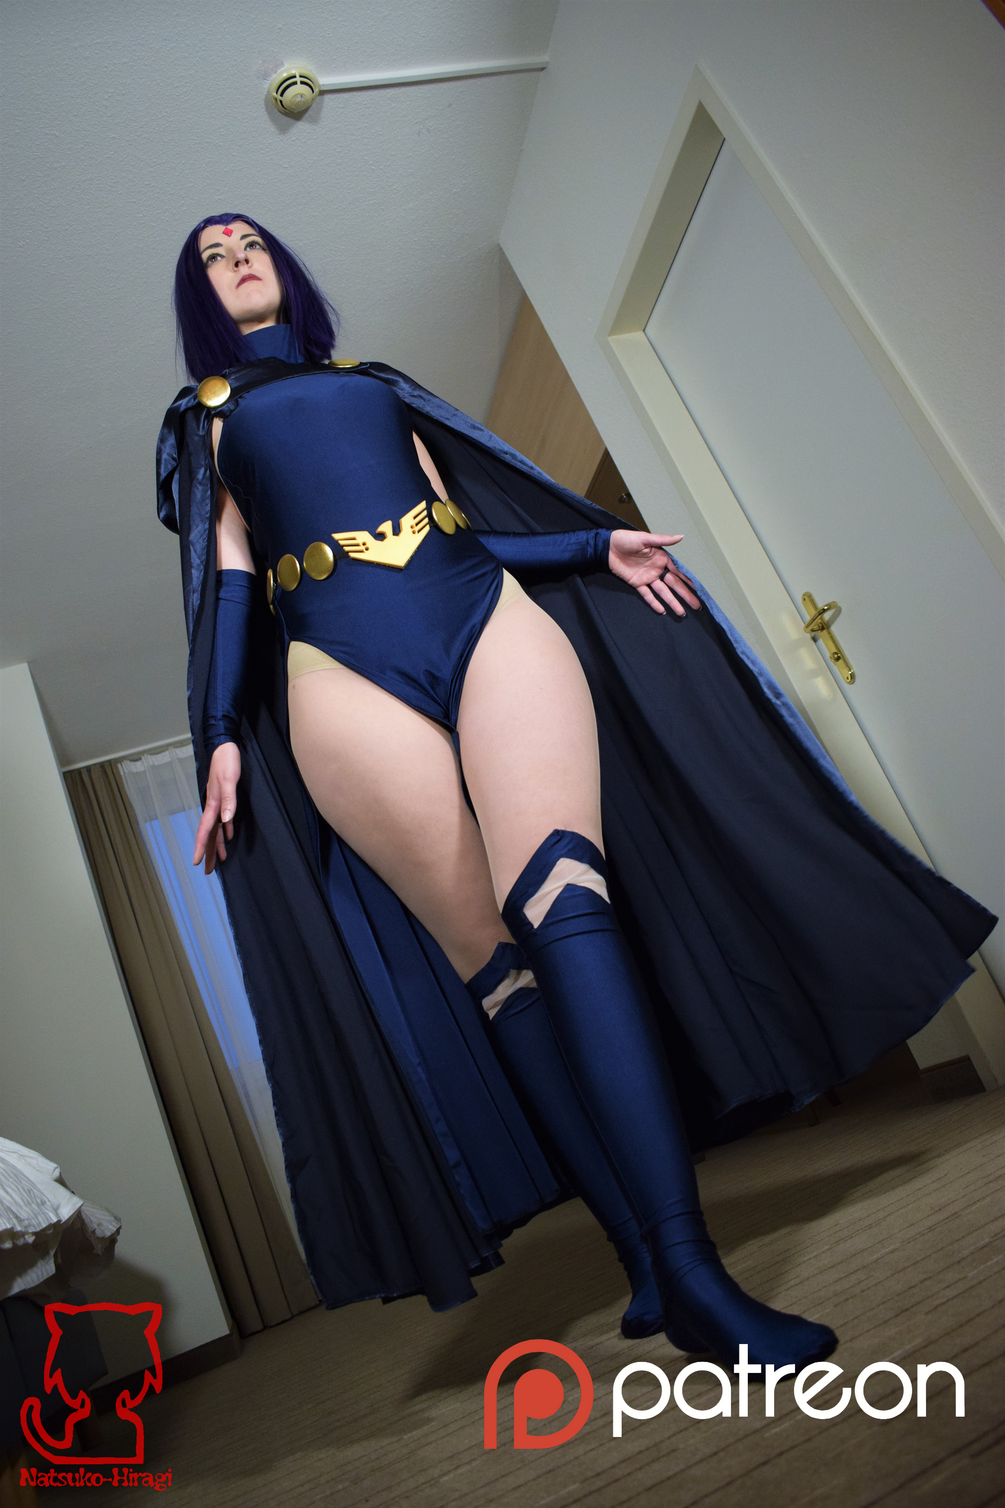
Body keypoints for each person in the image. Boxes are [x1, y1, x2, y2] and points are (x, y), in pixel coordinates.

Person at [158, 214, 996, 1372]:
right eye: (211, 254)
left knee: (566, 900)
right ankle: (639, 1257)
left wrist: (595, 549)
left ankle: (692, 1268)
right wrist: (215, 732)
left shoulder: (375, 384)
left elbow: (466, 535)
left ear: (283, 265)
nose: (237, 255)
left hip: (478, 610)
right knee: (498, 968)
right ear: (199, 296)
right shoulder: (205, 414)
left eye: (249, 239)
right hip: (339, 670)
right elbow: (228, 582)